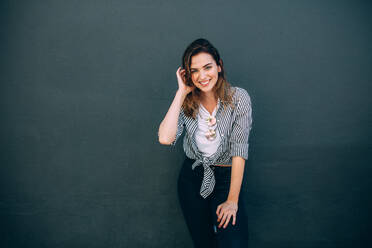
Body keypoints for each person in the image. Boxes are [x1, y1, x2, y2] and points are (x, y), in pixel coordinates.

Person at [158, 38, 253, 247]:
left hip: (227, 179)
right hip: (192, 180)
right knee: (205, 244)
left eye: (207, 67)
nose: (202, 76)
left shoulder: (238, 98)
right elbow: (165, 138)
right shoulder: (187, 102)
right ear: (188, 75)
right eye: (194, 71)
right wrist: (180, 93)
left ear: (219, 66)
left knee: (233, 243)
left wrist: (232, 200)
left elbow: (239, 149)